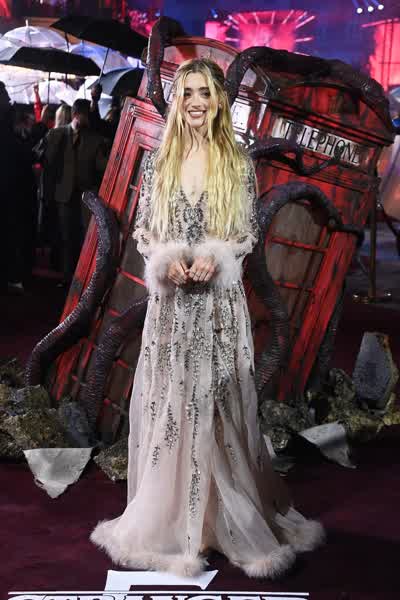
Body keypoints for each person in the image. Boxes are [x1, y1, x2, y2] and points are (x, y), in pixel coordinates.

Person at [90, 58, 325, 579]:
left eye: (205, 93)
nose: (196, 102)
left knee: (217, 404)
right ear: (178, 101)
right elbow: (144, 230)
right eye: (188, 92)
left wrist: (217, 257)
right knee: (173, 403)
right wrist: (164, 259)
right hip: (173, 308)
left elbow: (245, 233)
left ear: (219, 101)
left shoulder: (237, 163)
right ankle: (176, 521)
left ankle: (223, 519)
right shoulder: (158, 162)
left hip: (218, 308)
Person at [34, 98, 109, 286]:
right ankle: (68, 279)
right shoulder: (55, 134)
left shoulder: (95, 140)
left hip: (86, 197)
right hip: (63, 195)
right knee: (66, 238)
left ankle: (84, 279)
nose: (89, 119)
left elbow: (102, 166)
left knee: (85, 238)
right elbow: (39, 155)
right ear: (76, 115)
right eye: (86, 115)